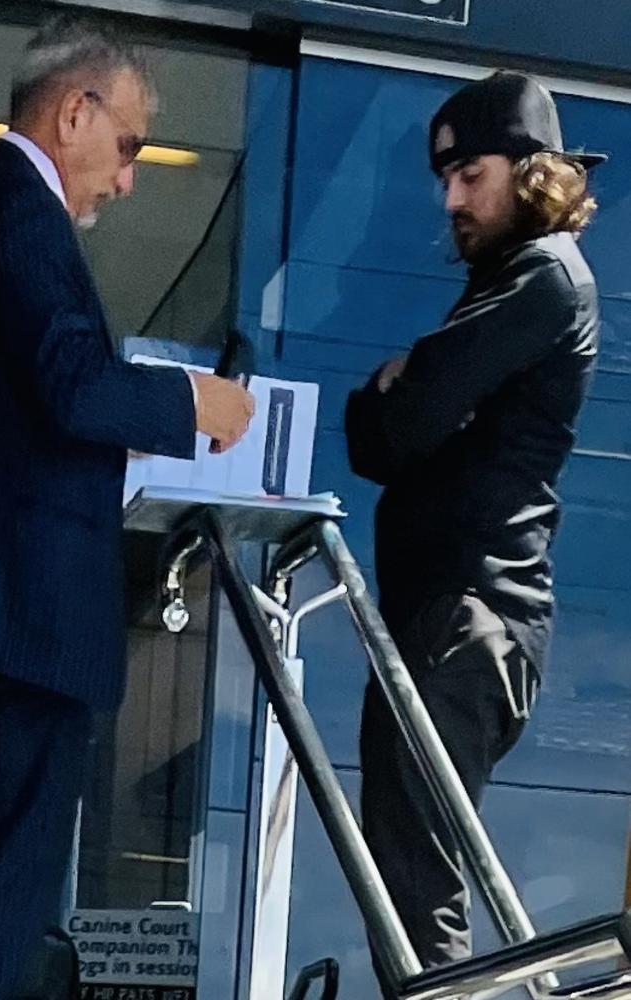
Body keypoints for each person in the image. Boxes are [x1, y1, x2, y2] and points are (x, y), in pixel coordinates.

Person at [0, 14, 254, 998]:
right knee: (6, 902)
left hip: (14, 620)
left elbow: (32, 403)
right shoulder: (16, 204)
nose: (129, 176)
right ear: (74, 111)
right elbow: (71, 384)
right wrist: (193, 403)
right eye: (129, 146)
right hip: (23, 629)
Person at [345, 71, 606, 994]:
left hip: (470, 622)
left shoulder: (542, 277)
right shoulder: (509, 284)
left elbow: (401, 427)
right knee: (403, 883)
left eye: (471, 174)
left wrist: (400, 384)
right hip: (447, 619)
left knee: (418, 896)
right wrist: (400, 391)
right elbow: (397, 429)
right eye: (443, 178)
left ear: (532, 170)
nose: (451, 198)